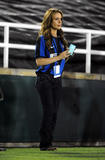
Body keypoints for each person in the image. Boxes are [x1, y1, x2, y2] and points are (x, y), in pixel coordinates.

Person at [35, 8, 71, 151]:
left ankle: (48, 143)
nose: (59, 21)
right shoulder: (42, 39)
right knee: (49, 110)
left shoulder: (61, 39)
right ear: (49, 20)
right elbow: (39, 62)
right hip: (44, 79)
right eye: (56, 19)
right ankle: (44, 144)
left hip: (57, 79)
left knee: (54, 112)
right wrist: (59, 57)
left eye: (61, 19)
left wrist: (65, 57)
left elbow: (59, 61)